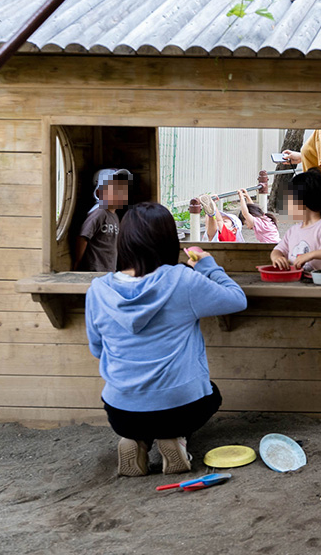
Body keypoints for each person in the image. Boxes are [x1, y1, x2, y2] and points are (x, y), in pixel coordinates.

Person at [85, 202, 247, 477]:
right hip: (181, 409)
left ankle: (137, 440)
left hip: (121, 413)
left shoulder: (98, 290)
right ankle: (176, 439)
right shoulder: (182, 280)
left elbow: (97, 349)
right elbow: (236, 299)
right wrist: (206, 263)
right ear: (167, 239)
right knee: (211, 394)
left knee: (141, 414)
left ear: (124, 241)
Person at [271, 169, 321, 274]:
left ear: (303, 201)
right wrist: (277, 258)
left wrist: (311, 255)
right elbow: (278, 250)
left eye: (289, 201)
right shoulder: (293, 231)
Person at [74, 168, 132, 271]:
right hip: (95, 271)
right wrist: (77, 263)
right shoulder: (99, 212)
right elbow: (83, 237)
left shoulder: (114, 215)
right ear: (100, 193)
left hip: (108, 270)